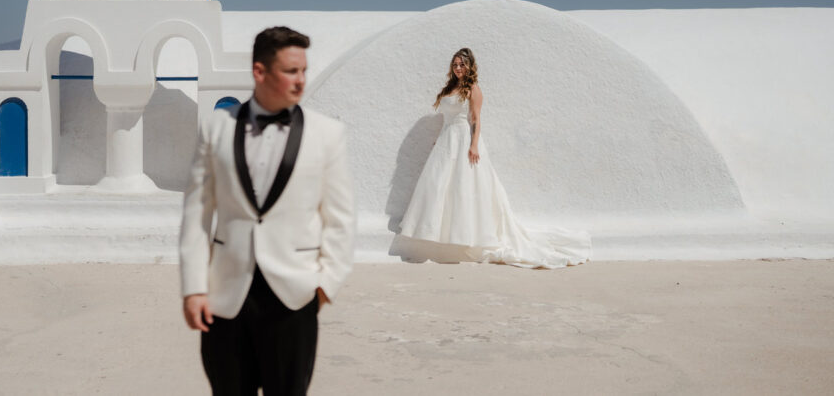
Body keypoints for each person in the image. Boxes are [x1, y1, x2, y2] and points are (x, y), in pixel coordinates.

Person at [179, 26, 355, 395]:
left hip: (294, 297)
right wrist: (194, 288)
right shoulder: (215, 128)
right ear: (259, 71)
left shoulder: (327, 133)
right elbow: (197, 215)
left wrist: (325, 285)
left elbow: (340, 219)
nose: (301, 80)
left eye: (303, 70)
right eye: (291, 71)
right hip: (226, 298)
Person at [397, 47, 590, 268]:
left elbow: (476, 119)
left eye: (462, 65)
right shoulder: (450, 88)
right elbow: (447, 118)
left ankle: (465, 237)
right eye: (455, 64)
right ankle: (440, 237)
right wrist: (439, 139)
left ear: (469, 66)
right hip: (446, 141)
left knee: (463, 185)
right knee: (439, 185)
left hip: (464, 139)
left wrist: (474, 145)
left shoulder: (473, 89)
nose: (458, 68)